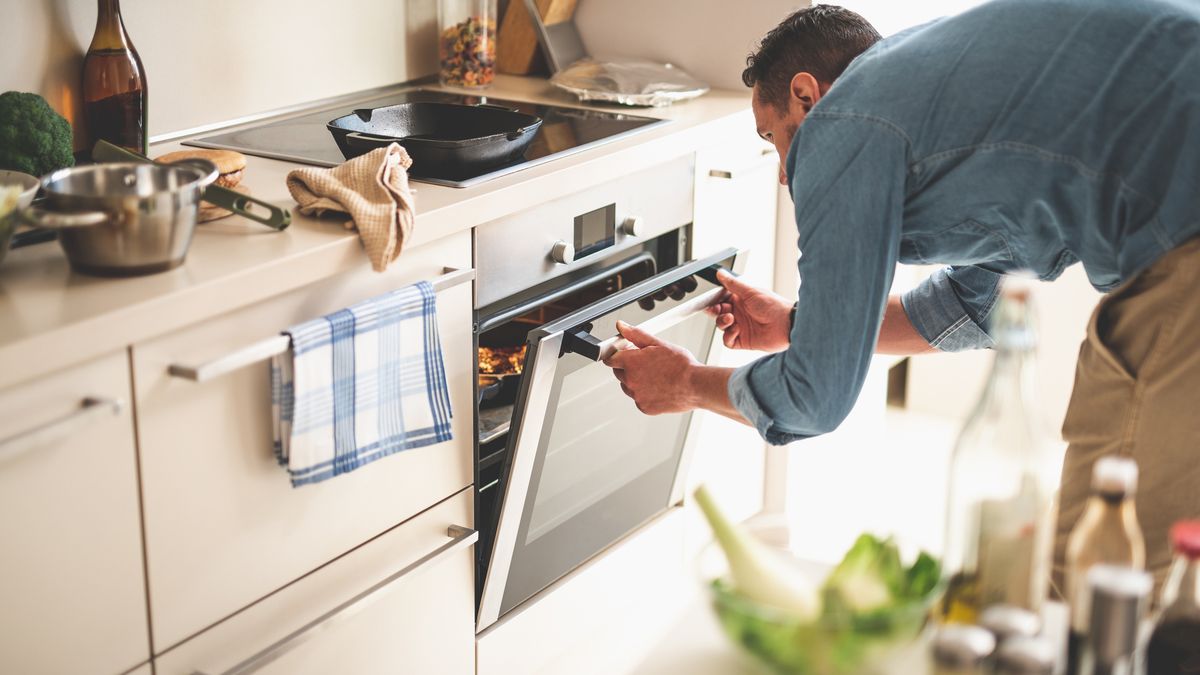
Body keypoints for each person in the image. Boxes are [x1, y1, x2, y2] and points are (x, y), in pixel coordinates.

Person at [603, 0, 1200, 590]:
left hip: (1183, 238)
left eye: (774, 137)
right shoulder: (944, 100)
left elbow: (815, 398)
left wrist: (685, 383)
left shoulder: (844, 122)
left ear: (808, 97)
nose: (785, 171)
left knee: (1091, 570)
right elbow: (976, 309)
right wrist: (795, 323)